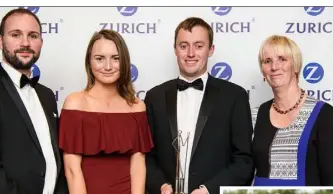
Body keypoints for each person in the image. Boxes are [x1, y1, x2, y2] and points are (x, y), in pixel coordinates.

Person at [144, 17, 254, 194]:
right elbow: (146, 157)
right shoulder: (154, 97)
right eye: (183, 46)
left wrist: (209, 190)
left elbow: (244, 161)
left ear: (211, 50)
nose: (191, 53)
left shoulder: (235, 96)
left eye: (199, 46)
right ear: (175, 49)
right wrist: (161, 186)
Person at [0, 8, 68, 194]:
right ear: (0, 40)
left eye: (33, 36)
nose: (25, 43)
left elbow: (55, 159)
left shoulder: (47, 95)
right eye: (16, 35)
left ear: (41, 42)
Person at [58, 29, 154, 194]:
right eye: (100, 59)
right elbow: (72, 171)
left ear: (124, 61)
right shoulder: (74, 103)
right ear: (89, 62)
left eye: (115, 58)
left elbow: (138, 166)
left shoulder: (137, 106)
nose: (108, 66)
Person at [252, 35, 333, 186]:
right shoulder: (255, 115)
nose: (274, 67)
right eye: (267, 61)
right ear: (263, 71)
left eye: (282, 59)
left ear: (296, 66)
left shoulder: (324, 114)